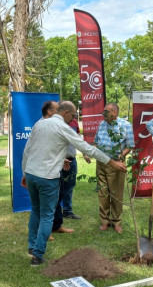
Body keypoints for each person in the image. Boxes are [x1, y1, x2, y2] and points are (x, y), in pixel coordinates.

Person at [22, 101, 126, 265]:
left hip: (31, 173)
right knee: (47, 215)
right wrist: (112, 162)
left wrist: (24, 173)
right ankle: (37, 255)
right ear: (66, 113)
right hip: (47, 177)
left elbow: (28, 150)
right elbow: (87, 148)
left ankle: (31, 246)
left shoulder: (39, 124)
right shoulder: (63, 127)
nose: (74, 118)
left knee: (36, 211)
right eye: (74, 115)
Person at [94, 103, 135, 234]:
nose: (103, 114)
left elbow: (130, 145)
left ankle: (116, 221)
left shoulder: (125, 126)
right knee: (103, 192)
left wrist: (121, 155)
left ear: (114, 113)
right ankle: (105, 221)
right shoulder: (101, 125)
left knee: (116, 193)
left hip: (116, 164)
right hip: (101, 163)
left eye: (106, 112)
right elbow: (96, 141)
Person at [39, 100, 74, 238]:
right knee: (46, 203)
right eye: (56, 108)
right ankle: (45, 232)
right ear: (49, 111)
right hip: (44, 171)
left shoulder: (57, 124)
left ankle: (56, 226)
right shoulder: (41, 125)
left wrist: (61, 159)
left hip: (55, 168)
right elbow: (41, 150)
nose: (59, 111)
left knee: (58, 196)